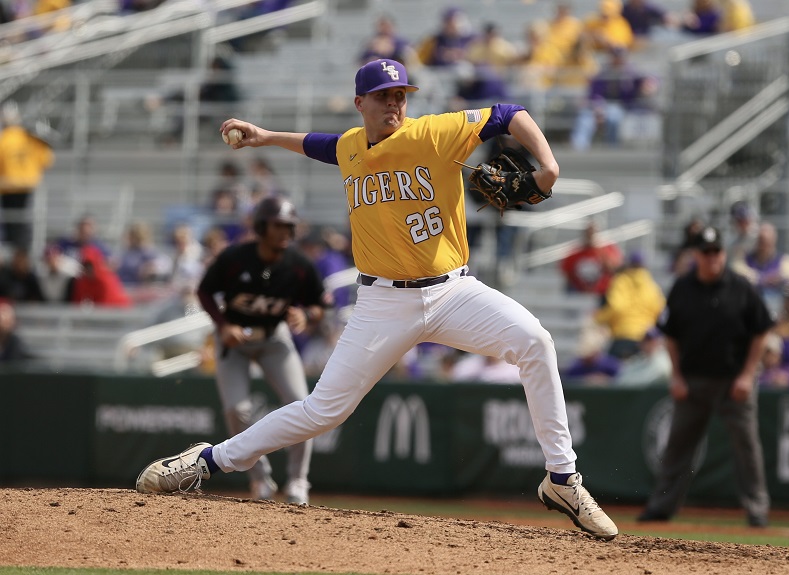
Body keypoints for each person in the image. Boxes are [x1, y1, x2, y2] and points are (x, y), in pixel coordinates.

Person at [136, 58, 619, 541]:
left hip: (453, 290)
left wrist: (549, 166)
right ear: (360, 103)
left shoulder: (433, 133)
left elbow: (509, 112)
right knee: (324, 410)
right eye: (385, 95)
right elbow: (320, 145)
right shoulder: (350, 145)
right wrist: (264, 136)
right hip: (382, 303)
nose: (395, 103)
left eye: (401, 95)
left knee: (535, 340)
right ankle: (207, 460)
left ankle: (562, 480)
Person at [637, 225, 773, 528]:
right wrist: (676, 376)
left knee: (747, 447)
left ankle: (757, 510)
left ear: (723, 253)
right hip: (693, 380)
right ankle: (660, 507)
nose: (712, 258)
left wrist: (748, 375)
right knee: (677, 447)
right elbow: (670, 336)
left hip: (733, 381)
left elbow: (761, 332)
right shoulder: (682, 287)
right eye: (706, 252)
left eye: (717, 252)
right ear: (696, 255)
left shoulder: (742, 286)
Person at [196, 195, 326, 503]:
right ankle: (260, 479)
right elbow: (203, 291)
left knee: (302, 405)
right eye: (277, 225)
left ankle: (297, 481)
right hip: (234, 340)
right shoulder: (235, 257)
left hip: (274, 339)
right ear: (261, 226)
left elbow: (320, 305)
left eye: (288, 226)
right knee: (236, 410)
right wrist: (222, 325)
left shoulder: (298, 265)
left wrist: (305, 315)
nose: (284, 232)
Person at [570, 47, 658, 151]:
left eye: (620, 57)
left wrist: (650, 83)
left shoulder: (631, 72)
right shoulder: (602, 73)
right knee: (584, 119)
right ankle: (578, 149)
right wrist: (598, 108)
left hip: (621, 107)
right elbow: (595, 94)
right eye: (615, 57)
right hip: (599, 107)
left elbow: (647, 79)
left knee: (613, 116)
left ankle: (611, 150)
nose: (618, 60)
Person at [0, 102, 54, 251]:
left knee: (12, 223)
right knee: (26, 222)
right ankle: (23, 249)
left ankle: (15, 250)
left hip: (8, 187)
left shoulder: (3, 139)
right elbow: (47, 160)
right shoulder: (31, 138)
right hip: (30, 186)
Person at [593, 250, 665, 360]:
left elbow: (615, 307)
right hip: (645, 338)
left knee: (615, 374)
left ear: (629, 264)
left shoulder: (620, 281)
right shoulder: (652, 286)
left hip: (623, 335)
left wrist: (598, 318)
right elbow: (660, 311)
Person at [559, 219, 623, 297]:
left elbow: (614, 268)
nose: (590, 236)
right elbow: (566, 272)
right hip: (580, 291)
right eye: (588, 234)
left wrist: (600, 251)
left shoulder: (607, 248)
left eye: (592, 233)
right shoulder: (575, 252)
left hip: (602, 293)